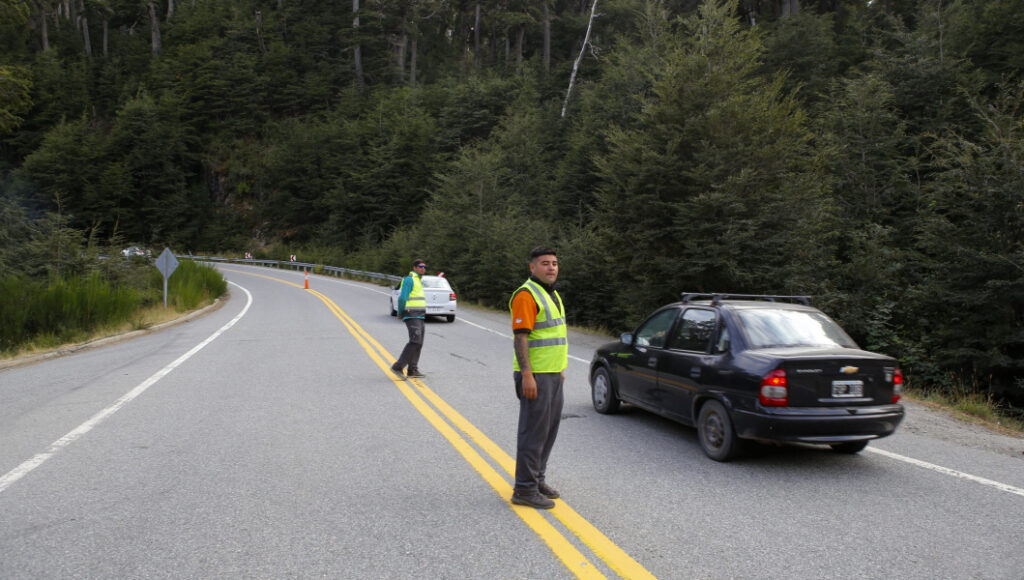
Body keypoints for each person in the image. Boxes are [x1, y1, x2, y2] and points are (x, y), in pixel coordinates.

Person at [509, 246, 567, 509]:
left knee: (548, 432)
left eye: (554, 263)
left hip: (552, 374)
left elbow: (552, 337)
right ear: (532, 267)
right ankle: (524, 489)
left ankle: (537, 480)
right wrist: (527, 376)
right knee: (533, 433)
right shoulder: (526, 294)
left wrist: (560, 369)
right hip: (536, 376)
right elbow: (520, 338)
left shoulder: (551, 294)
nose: (551, 267)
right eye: (545, 263)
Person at [391, 259, 428, 380]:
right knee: (415, 341)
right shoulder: (409, 279)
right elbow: (402, 298)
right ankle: (398, 367)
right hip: (411, 314)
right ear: (415, 267)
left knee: (419, 343)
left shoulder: (418, 280)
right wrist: (400, 312)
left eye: (425, 267)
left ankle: (412, 369)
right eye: (421, 266)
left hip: (420, 315)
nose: (423, 269)